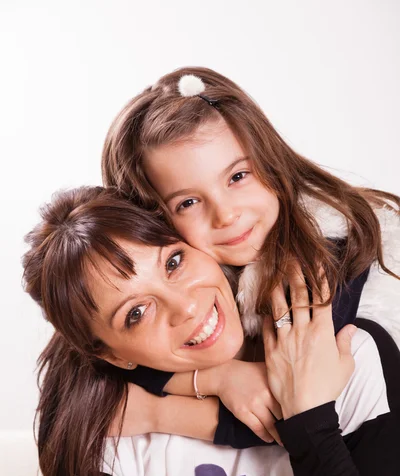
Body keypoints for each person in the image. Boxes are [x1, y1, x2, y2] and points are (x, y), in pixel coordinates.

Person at [23, 186, 400, 476]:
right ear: (112, 356)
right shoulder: (112, 447)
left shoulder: (351, 355)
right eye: (135, 313)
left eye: (174, 262)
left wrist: (310, 419)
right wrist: (209, 383)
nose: (184, 307)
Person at [101, 66, 400, 441]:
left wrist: (156, 412)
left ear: (268, 158)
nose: (226, 214)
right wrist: (219, 377)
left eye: (238, 177)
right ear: (153, 222)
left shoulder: (330, 252)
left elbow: (292, 413)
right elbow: (122, 357)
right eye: (189, 202)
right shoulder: (188, 283)